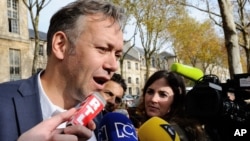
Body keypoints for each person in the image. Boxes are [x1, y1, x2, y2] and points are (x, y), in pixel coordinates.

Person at [0, 0, 125, 140]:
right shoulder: (3, 102)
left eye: (117, 55)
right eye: (102, 49)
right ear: (60, 45)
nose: (114, 66)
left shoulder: (101, 121)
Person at [136, 70, 210, 141]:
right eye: (150, 92)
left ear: (175, 101)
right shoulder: (137, 125)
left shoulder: (181, 132)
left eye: (163, 94)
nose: (153, 99)